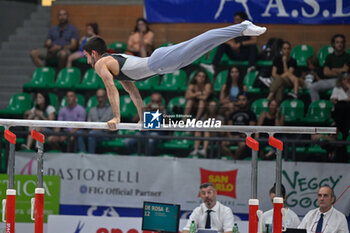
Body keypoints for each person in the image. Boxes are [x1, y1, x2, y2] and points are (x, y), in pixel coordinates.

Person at [82, 20, 266, 130]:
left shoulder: (101, 64)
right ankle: (239, 29)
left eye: (87, 56)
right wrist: (143, 119)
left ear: (94, 53)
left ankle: (241, 27)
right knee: (206, 45)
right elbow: (134, 93)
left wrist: (116, 118)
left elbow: (110, 90)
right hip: (165, 66)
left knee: (204, 39)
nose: (87, 61)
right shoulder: (114, 65)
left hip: (159, 61)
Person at [309, 34, 350, 102]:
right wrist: (339, 71)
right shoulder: (329, 57)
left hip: (343, 81)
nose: (339, 44)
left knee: (339, 84)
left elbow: (345, 70)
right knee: (313, 87)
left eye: (341, 42)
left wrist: (333, 69)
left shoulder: (347, 57)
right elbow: (326, 72)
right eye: (337, 42)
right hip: (329, 81)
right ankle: (316, 108)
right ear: (333, 44)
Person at [221, 92, 257, 159]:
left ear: (247, 101)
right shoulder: (233, 114)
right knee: (222, 144)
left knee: (242, 145)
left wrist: (242, 135)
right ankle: (232, 158)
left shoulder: (251, 114)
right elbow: (229, 126)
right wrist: (230, 135)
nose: (241, 102)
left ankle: (235, 160)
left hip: (243, 138)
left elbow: (251, 128)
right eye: (239, 100)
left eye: (243, 100)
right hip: (233, 137)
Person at [78, 89, 113, 154]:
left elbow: (112, 127)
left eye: (102, 97)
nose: (100, 99)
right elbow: (88, 125)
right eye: (98, 97)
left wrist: (99, 128)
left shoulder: (112, 110)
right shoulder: (92, 110)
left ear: (106, 97)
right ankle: (83, 153)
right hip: (92, 132)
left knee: (92, 134)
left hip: (106, 134)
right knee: (79, 133)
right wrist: (94, 128)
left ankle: (91, 156)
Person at [330, 73, 350, 140]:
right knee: (341, 105)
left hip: (347, 113)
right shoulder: (337, 89)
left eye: (348, 80)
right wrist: (345, 100)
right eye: (345, 79)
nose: (347, 81)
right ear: (342, 80)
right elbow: (334, 101)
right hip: (338, 111)